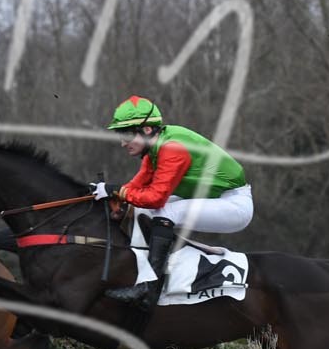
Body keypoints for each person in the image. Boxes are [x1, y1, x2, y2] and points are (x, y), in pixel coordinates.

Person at [101, 95, 253, 307]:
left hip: (234, 205)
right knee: (140, 210)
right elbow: (135, 187)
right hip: (211, 198)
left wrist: (118, 191)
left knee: (164, 212)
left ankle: (150, 288)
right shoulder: (154, 149)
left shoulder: (172, 148)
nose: (123, 142)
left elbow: (155, 198)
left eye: (127, 134)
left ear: (146, 130)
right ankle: (145, 270)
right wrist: (111, 195)